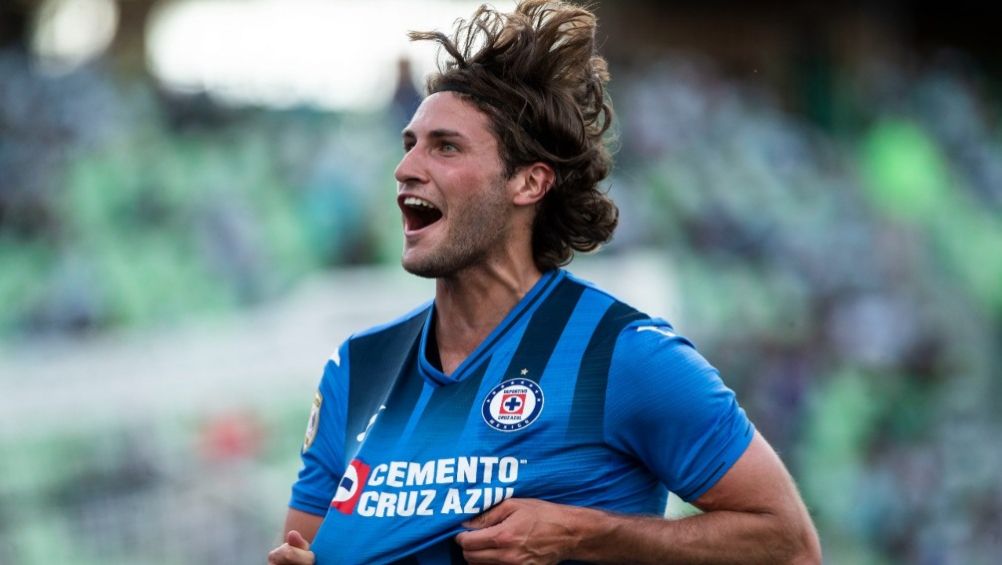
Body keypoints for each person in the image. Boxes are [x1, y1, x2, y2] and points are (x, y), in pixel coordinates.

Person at [269, 1, 821, 563]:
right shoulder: (358, 369)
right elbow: (303, 548)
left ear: (529, 183)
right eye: (410, 144)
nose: (406, 167)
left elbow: (789, 543)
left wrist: (584, 533)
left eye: (446, 147)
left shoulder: (624, 356)